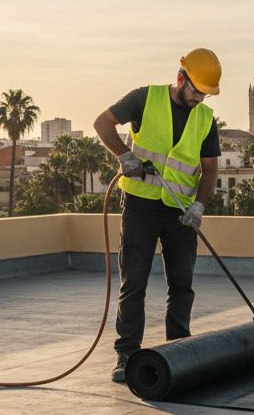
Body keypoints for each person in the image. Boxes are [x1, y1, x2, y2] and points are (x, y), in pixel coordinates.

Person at [93, 48, 222, 381]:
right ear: (180, 78)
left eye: (205, 95)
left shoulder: (205, 119)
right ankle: (126, 355)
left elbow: (209, 168)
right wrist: (124, 155)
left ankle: (178, 349)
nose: (199, 99)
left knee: (182, 283)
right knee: (134, 282)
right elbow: (102, 123)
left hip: (181, 212)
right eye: (196, 91)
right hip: (141, 206)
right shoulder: (144, 98)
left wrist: (199, 205)